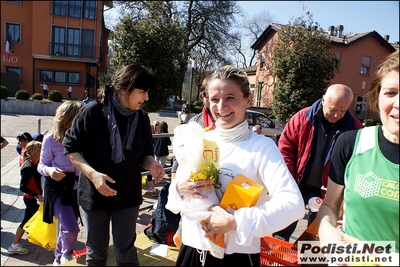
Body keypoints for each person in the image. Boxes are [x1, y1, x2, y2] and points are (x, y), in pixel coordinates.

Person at [166, 65, 304, 266]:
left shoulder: (262, 147)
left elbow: (293, 204)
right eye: (214, 99)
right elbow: (176, 193)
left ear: (248, 100)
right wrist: (179, 188)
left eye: (230, 98)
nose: (221, 107)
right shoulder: (201, 140)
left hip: (236, 256)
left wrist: (236, 221)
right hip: (192, 249)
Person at [63, 64, 165, 266]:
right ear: (125, 88)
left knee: (126, 252)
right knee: (96, 253)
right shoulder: (92, 112)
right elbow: (71, 149)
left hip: (128, 194)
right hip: (94, 195)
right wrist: (93, 175)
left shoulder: (142, 118)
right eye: (142, 92)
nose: (146, 98)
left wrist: (152, 164)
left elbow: (145, 153)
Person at [317, 50, 399, 253]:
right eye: (391, 93)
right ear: (377, 96)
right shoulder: (351, 143)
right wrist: (326, 229)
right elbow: (330, 205)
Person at [274, 83, 363, 241]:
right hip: (298, 180)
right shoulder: (302, 117)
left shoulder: (354, 127)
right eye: (333, 109)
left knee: (317, 231)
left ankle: (306, 260)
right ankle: (277, 252)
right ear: (323, 100)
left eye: (343, 110)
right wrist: (288, 178)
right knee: (284, 222)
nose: (337, 115)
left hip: (329, 189)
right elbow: (285, 148)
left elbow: (357, 160)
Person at [37, 101, 84, 266]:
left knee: (66, 227)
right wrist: (50, 171)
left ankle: (57, 259)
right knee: (72, 228)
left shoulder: (81, 137)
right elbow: (41, 165)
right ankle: (66, 255)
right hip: (57, 188)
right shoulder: (51, 138)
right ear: (68, 119)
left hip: (76, 188)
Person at [171, 75, 215, 180]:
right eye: (206, 94)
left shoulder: (228, 122)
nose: (210, 98)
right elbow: (180, 153)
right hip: (195, 179)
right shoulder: (194, 122)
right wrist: (174, 183)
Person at [8, 141, 43, 255]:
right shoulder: (28, 167)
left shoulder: (35, 163)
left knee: (26, 221)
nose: (41, 151)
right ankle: (51, 245)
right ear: (31, 151)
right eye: (39, 149)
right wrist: (36, 195)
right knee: (44, 220)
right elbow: (22, 187)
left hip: (32, 199)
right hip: (30, 200)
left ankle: (14, 245)